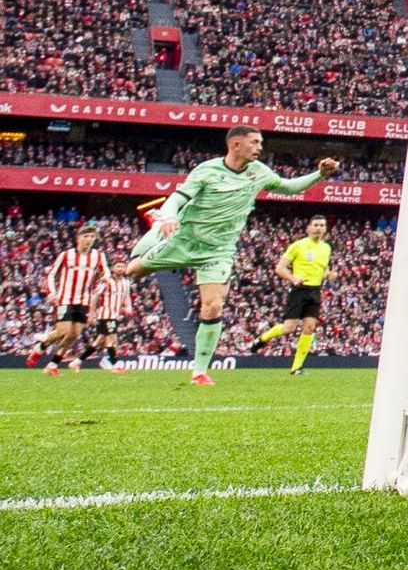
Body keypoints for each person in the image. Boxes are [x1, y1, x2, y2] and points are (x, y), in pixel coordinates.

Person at [116, 126, 337, 386]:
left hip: (218, 251)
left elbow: (288, 187)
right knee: (133, 271)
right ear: (235, 144)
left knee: (213, 306)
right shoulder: (207, 170)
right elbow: (177, 198)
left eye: (260, 142)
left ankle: (199, 371)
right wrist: (168, 216)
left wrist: (319, 175)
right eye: (254, 142)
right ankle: (154, 232)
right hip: (184, 240)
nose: (260, 147)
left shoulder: (259, 171)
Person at [247, 216, 333, 375]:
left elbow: (324, 268)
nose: (318, 228)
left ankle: (296, 368)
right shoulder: (298, 246)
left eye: (322, 225)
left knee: (310, 327)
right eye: (315, 225)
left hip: (315, 291)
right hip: (299, 290)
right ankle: (263, 338)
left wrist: (329, 274)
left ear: (325, 228)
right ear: (309, 228)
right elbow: (280, 268)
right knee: (289, 328)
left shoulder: (326, 248)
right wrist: (293, 279)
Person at [25, 224, 109, 377]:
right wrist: (52, 292)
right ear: (78, 238)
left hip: (84, 301)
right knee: (63, 331)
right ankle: (39, 347)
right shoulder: (66, 255)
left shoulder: (98, 256)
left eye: (92, 237)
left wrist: (104, 279)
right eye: (86, 236)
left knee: (74, 335)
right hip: (65, 299)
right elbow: (51, 274)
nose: (89, 239)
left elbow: (106, 273)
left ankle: (52, 365)